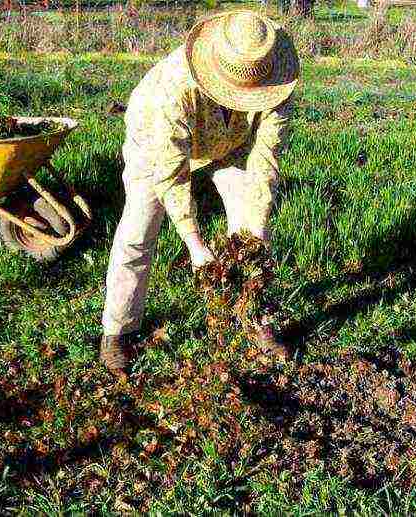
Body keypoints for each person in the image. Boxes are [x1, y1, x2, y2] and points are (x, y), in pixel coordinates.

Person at [100, 9, 300, 375]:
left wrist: (254, 231)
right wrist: (195, 245)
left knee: (255, 235)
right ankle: (118, 331)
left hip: (231, 142)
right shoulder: (171, 92)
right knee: (140, 226)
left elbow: (265, 162)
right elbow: (171, 177)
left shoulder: (276, 76)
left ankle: (253, 316)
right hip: (157, 142)